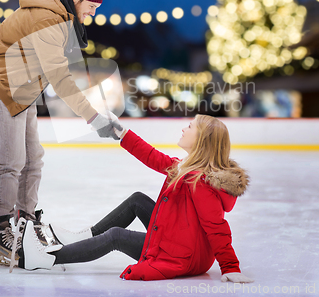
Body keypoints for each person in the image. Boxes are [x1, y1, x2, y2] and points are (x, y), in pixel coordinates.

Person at [0, 0, 121, 266]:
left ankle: (25, 223)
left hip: (21, 86)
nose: (92, 13)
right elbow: (61, 79)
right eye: (91, 6)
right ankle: (0, 233)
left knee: (33, 158)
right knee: (12, 160)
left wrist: (100, 112)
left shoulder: (61, 16)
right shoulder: (48, 19)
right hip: (1, 83)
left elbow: (69, 72)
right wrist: (94, 118)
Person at [14, 115, 253, 283]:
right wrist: (121, 133)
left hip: (182, 256)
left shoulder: (200, 183)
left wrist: (230, 267)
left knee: (116, 236)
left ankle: (46, 259)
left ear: (202, 140)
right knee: (138, 200)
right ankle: (85, 236)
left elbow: (216, 227)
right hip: (182, 242)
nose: (184, 129)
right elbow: (153, 157)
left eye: (190, 127)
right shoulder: (185, 169)